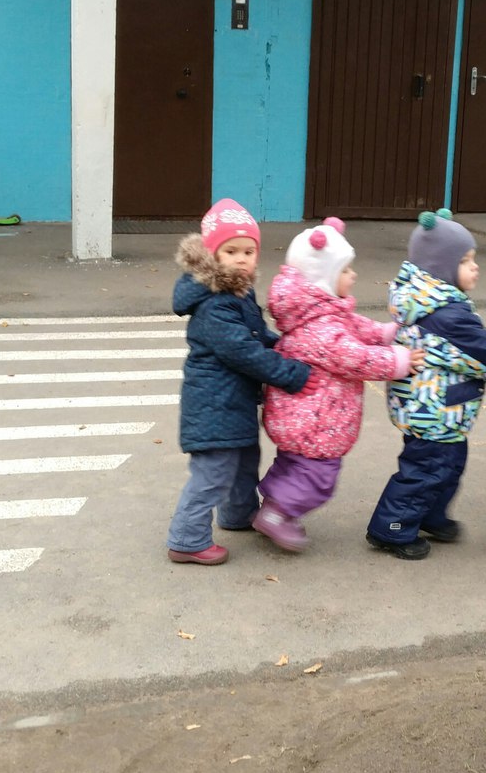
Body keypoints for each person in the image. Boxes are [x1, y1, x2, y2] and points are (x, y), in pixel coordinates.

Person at [366, 209, 486, 560]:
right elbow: (480, 351)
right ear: (441, 266)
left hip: (434, 408)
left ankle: (429, 515)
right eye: (465, 261)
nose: (475, 267)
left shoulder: (438, 305)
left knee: (448, 466)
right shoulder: (446, 313)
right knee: (425, 471)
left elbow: (478, 338)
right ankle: (391, 529)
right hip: (433, 411)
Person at [255, 217, 423, 552]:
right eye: (345, 270)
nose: (353, 275)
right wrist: (398, 361)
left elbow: (354, 326)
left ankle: (274, 505)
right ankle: (276, 514)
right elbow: (353, 357)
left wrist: (384, 333)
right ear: (322, 278)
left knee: (294, 465)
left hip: (301, 417)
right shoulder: (321, 328)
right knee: (319, 477)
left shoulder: (321, 312)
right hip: (314, 423)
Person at [165, 198, 312, 566]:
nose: (242, 259)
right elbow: (242, 350)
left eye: (249, 251)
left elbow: (255, 335)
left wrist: (286, 346)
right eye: (231, 251)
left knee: (245, 461)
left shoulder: (237, 291)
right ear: (211, 254)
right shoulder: (215, 302)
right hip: (213, 406)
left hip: (234, 402)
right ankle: (186, 539)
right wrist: (290, 373)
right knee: (213, 475)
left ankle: (238, 513)